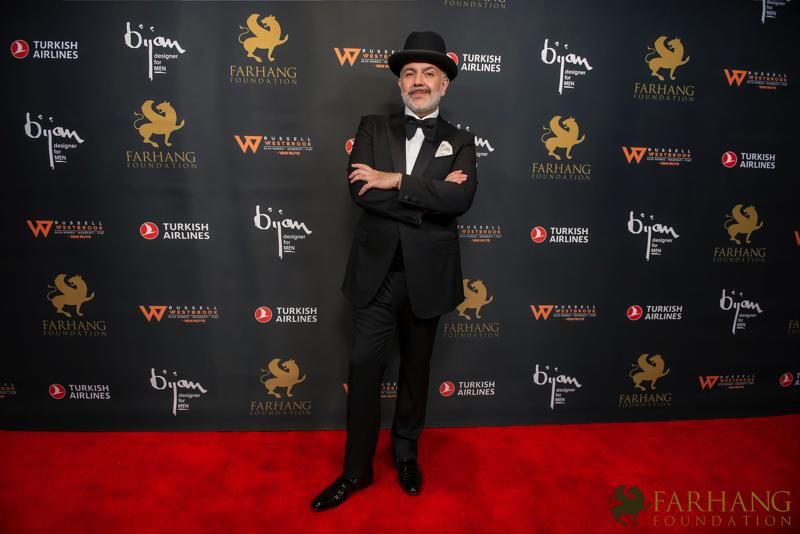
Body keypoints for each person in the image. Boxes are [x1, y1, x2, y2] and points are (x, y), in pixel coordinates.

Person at [311, 30, 477, 512]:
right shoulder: (371, 128)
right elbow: (361, 191)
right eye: (409, 73)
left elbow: (461, 199)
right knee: (364, 367)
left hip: (428, 276)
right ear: (400, 83)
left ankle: (406, 455)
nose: (418, 80)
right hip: (376, 276)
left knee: (416, 372)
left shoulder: (461, 140)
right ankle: (355, 471)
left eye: (429, 73)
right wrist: (427, 195)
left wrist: (395, 180)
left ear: (444, 84)